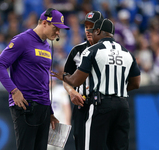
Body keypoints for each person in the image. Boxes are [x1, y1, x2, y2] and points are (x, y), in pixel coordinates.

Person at [51, 18, 141, 150]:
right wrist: (117, 90)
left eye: (92, 30)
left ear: (98, 31)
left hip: (99, 104)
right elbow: (136, 83)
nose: (89, 32)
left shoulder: (92, 50)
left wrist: (63, 77)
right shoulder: (127, 52)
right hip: (122, 104)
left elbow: (76, 80)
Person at [0, 8, 70, 150]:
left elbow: (43, 80)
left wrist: (50, 112)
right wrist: (14, 91)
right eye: (56, 28)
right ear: (45, 23)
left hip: (43, 108)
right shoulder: (22, 40)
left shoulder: (46, 45)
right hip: (26, 105)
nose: (58, 32)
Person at [62, 11, 103, 150]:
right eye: (86, 26)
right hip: (82, 104)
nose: (88, 30)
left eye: (92, 26)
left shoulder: (110, 50)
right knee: (81, 144)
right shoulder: (77, 50)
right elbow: (66, 77)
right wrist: (71, 92)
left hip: (104, 104)